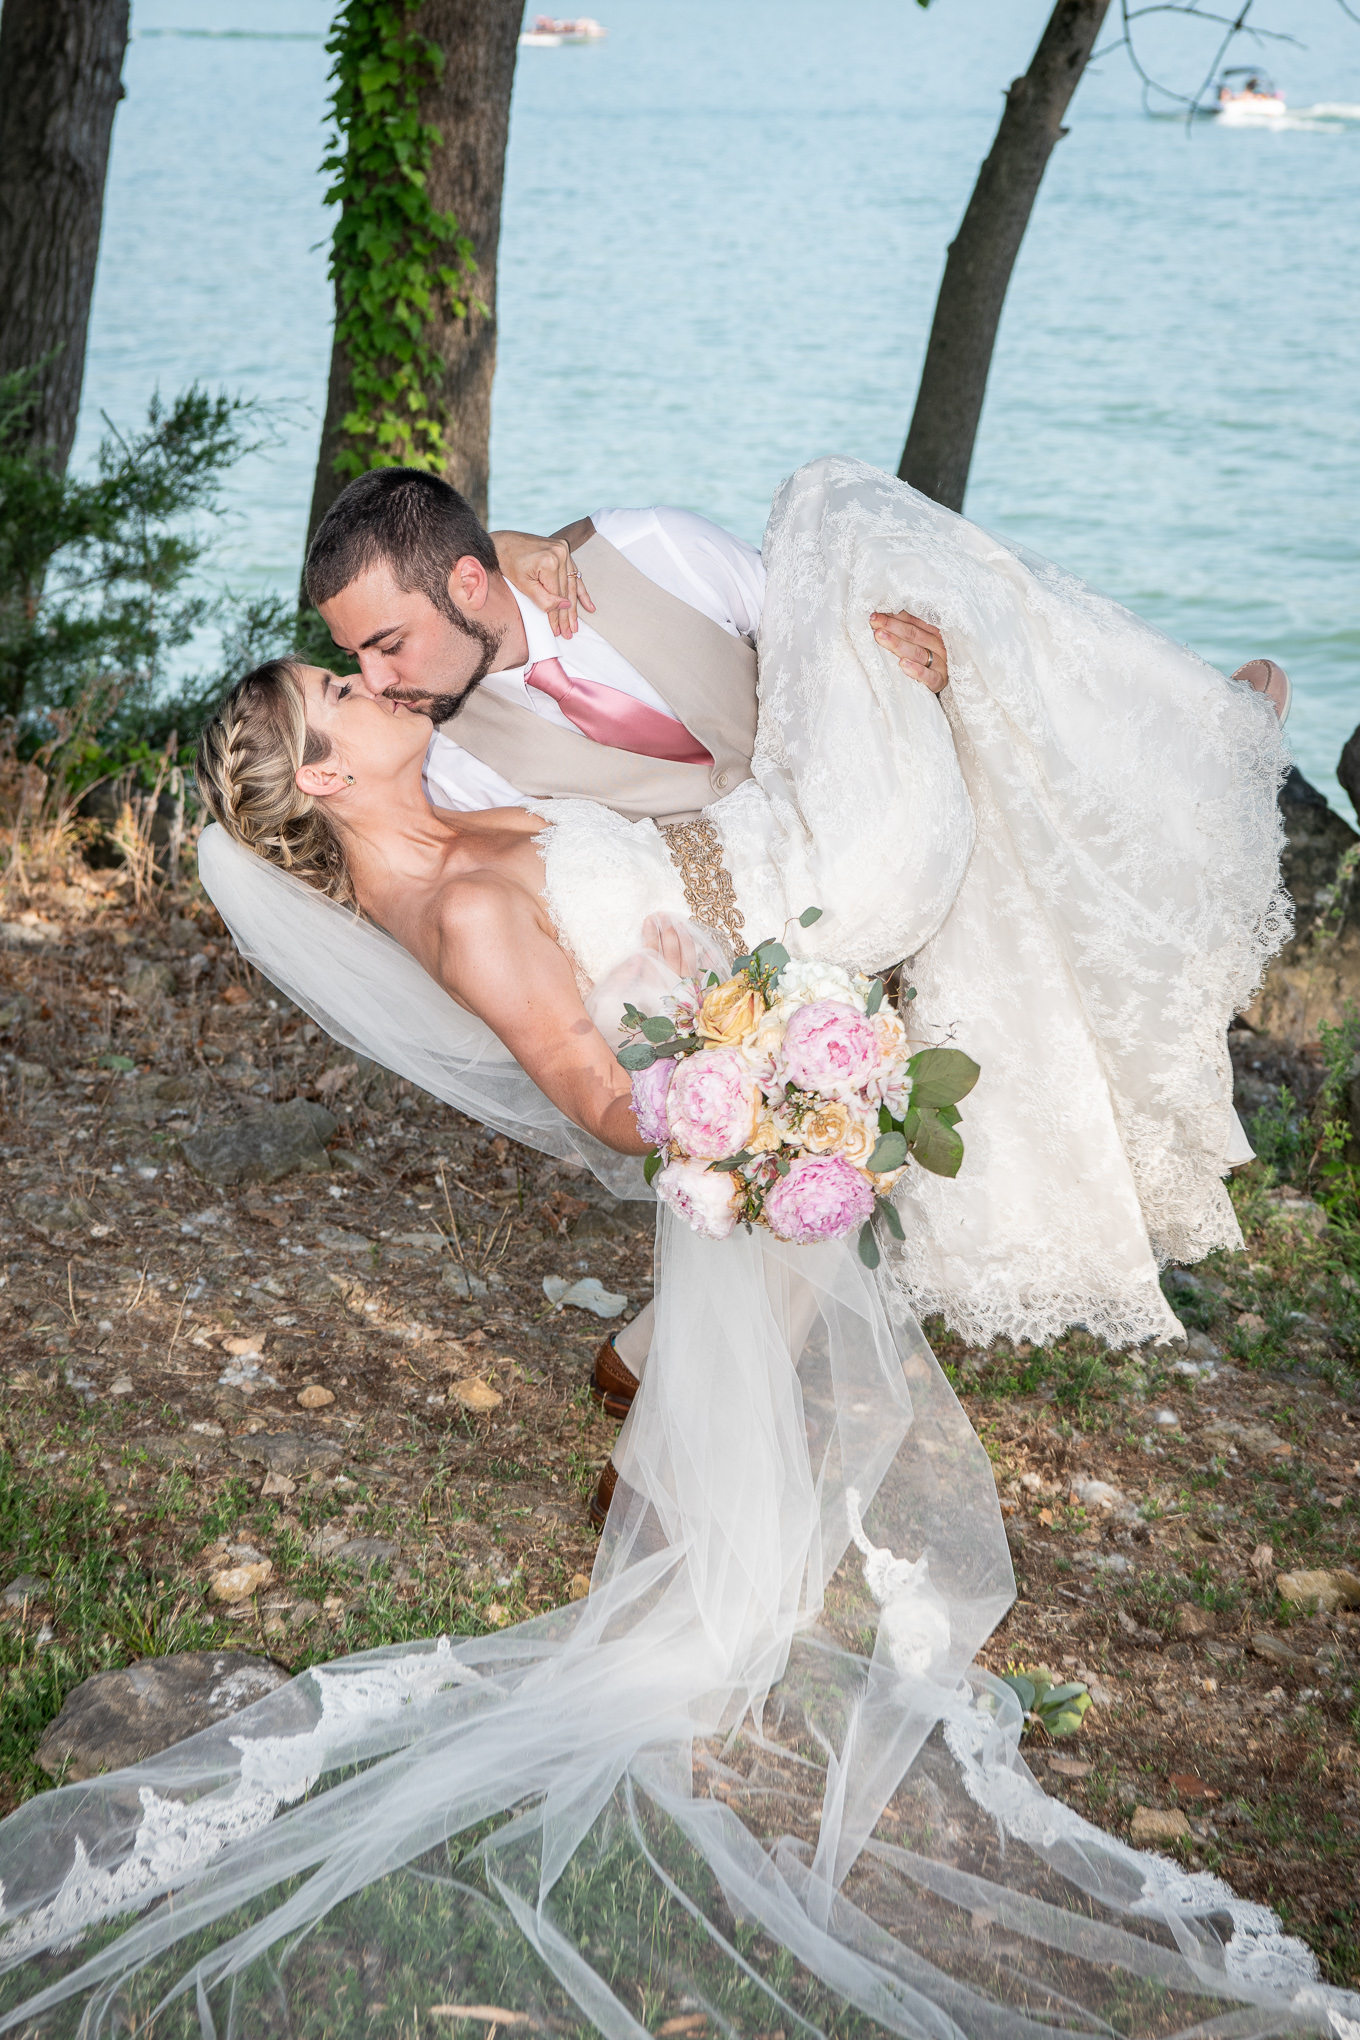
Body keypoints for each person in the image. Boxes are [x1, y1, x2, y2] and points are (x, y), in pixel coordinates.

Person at [3, 458, 1336, 2040]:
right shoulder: (466, 899)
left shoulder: (442, 821)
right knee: (841, 506)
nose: (369, 687)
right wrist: (750, 1078)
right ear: (329, 775)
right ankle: (1208, 744)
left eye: (368, 660)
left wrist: (538, 553)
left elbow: (545, 734)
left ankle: (1193, 744)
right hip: (834, 877)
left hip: (792, 853)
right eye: (342, 690)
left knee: (859, 556)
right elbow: (599, 1092)